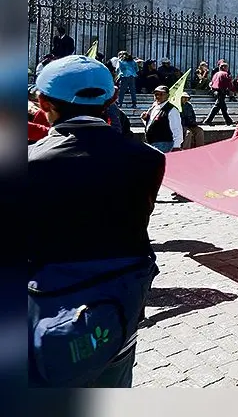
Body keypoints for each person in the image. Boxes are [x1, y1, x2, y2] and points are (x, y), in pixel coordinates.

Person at [28, 55, 163, 387]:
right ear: (113, 98)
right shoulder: (149, 159)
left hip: (49, 311)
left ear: (42, 102)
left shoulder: (30, 162)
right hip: (119, 307)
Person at [140, 85, 182, 154]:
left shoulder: (172, 110)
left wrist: (176, 146)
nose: (158, 96)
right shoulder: (153, 107)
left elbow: (177, 129)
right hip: (152, 143)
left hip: (165, 144)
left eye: (161, 94)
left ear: (168, 95)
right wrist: (145, 119)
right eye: (156, 94)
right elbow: (152, 125)